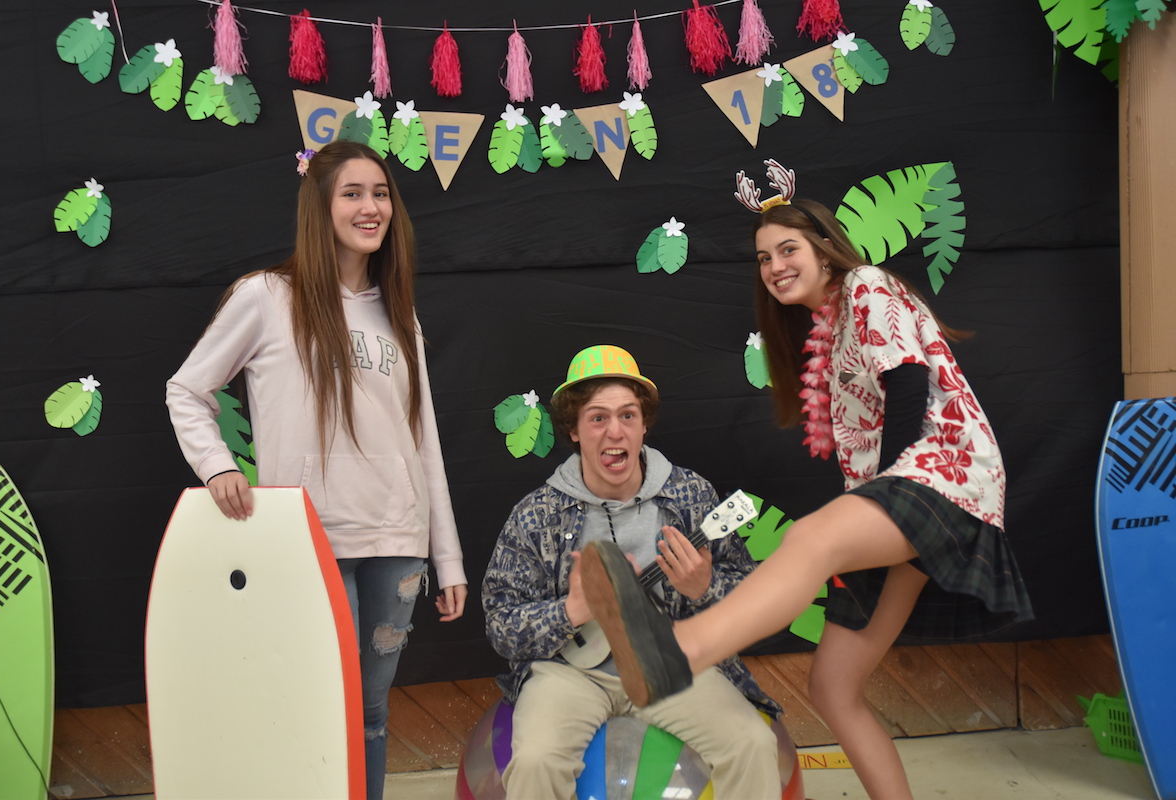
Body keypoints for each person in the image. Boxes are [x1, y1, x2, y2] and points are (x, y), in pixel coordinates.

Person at [580, 161, 1033, 800]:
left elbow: (907, 382)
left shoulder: (867, 285)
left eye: (787, 249)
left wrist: (879, 501)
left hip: (940, 478)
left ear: (825, 249)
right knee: (833, 688)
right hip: (893, 490)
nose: (774, 266)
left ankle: (677, 653)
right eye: (764, 258)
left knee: (810, 539)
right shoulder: (826, 330)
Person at [165, 139, 467, 800]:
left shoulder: (400, 315)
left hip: (397, 540)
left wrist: (447, 559)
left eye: (380, 193)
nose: (371, 207)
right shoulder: (267, 297)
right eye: (352, 193)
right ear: (320, 206)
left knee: (371, 713)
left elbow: (425, 442)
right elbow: (186, 390)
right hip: (310, 539)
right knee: (320, 707)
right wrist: (217, 466)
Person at [481, 344, 788, 800]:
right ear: (574, 430)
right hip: (569, 673)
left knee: (752, 743)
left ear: (644, 425)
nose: (615, 431)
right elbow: (501, 626)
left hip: (670, 661)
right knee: (535, 760)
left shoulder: (690, 496)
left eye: (628, 415)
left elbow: (750, 596)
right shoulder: (536, 514)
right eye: (597, 418)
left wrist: (704, 587)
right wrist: (572, 609)